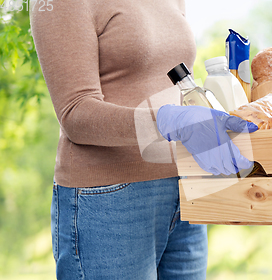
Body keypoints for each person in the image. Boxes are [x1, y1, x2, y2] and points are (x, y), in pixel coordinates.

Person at [30, 0, 257, 279]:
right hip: (109, 201)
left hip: (184, 191)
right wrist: (166, 121)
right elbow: (75, 113)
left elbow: (180, 83)